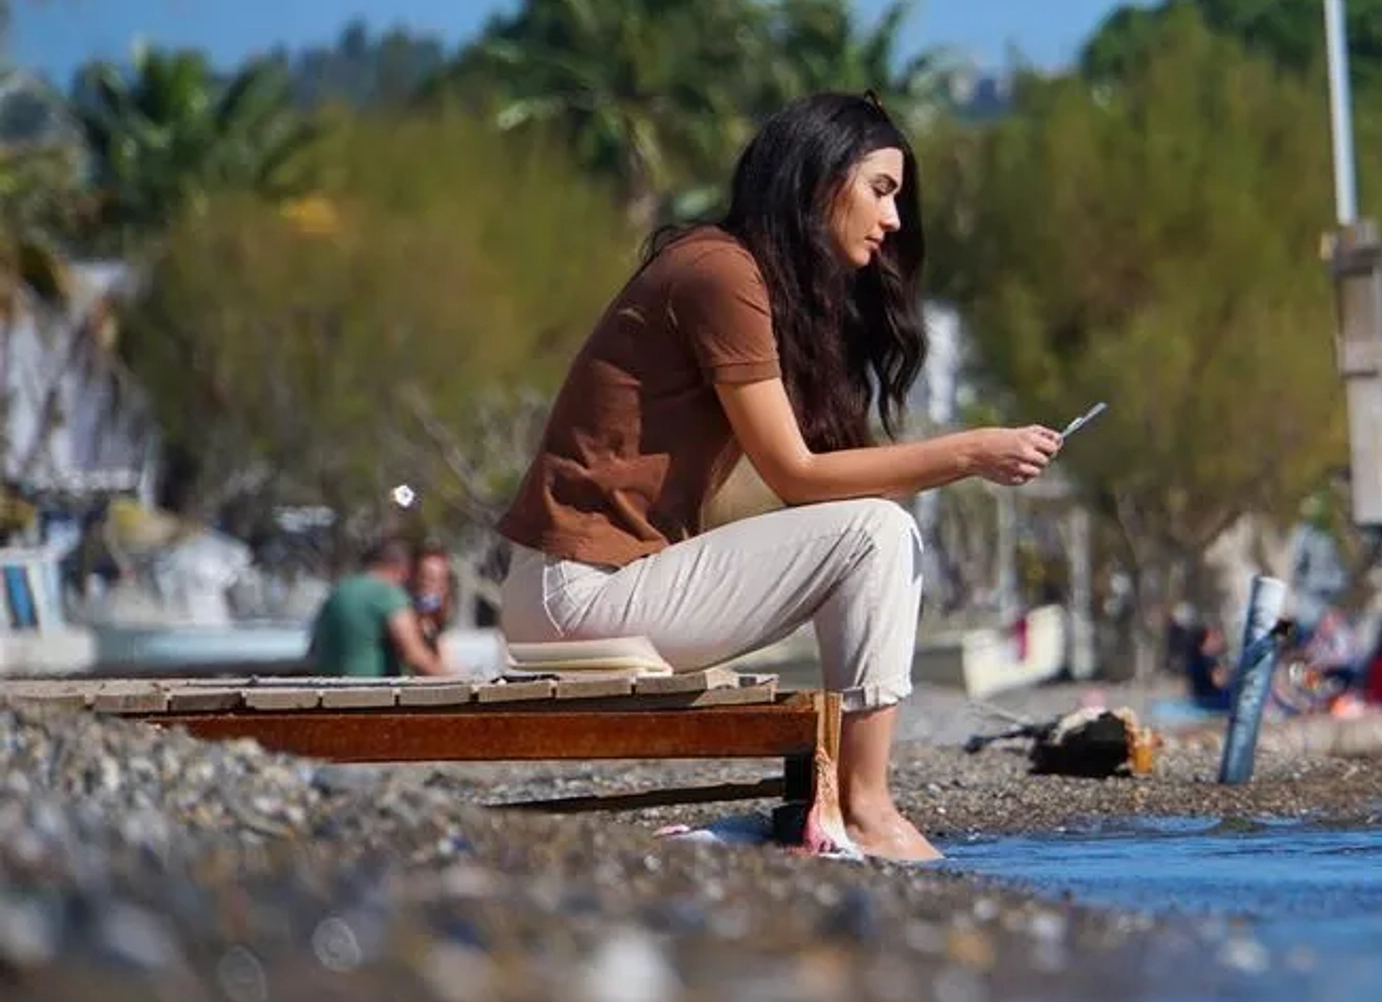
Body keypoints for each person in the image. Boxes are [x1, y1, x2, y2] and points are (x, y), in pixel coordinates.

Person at [494, 92, 1060, 863]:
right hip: (579, 593)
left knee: (867, 526)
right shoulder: (718, 272)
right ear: (818, 178)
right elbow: (797, 477)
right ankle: (864, 807)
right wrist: (968, 454)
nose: (894, 221)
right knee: (876, 531)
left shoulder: (740, 278)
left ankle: (834, 805)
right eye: (881, 190)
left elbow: (770, 494)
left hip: (594, 589)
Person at [308, 538, 449, 678]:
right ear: (399, 567)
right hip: (372, 692)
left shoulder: (339, 591)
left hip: (328, 691)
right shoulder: (387, 593)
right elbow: (414, 655)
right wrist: (452, 679)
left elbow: (313, 647)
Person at [411, 545, 454, 656]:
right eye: (425, 577)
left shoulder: (452, 627)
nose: (430, 586)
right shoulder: (403, 622)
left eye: (440, 579)